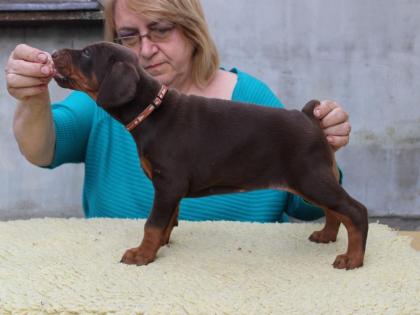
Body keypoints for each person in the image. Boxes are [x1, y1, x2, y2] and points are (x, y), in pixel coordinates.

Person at [5, 0, 351, 223]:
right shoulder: (105, 99)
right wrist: (33, 99)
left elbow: (307, 209)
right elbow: (42, 149)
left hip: (244, 285)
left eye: (160, 29)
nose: (145, 49)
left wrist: (324, 149)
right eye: (129, 35)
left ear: (192, 29)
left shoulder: (253, 98)